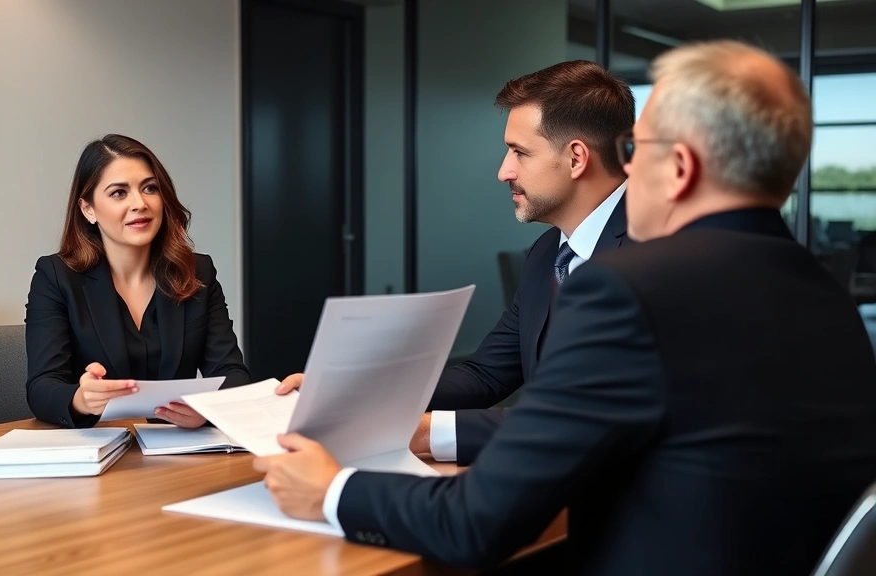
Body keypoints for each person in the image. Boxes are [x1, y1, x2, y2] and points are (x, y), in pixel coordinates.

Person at [252, 40, 876, 575]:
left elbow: (476, 525)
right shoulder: (825, 295)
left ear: (679, 167)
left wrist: (332, 490)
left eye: (639, 149)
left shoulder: (634, 287)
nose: (628, 166)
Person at [275, 60, 635, 466]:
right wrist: (350, 393)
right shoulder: (546, 255)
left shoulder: (656, 258)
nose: (504, 171)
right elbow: (485, 375)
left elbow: (593, 420)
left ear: (575, 158)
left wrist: (428, 431)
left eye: (519, 152)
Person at [25, 134, 251, 429]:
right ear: (88, 209)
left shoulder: (198, 271)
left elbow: (232, 373)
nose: (140, 204)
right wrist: (81, 399)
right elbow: (42, 386)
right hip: (100, 448)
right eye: (119, 193)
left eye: (150, 188)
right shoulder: (55, 276)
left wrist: (207, 410)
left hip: (178, 450)